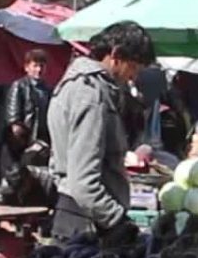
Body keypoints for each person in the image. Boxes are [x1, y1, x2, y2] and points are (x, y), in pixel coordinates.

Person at [48, 21, 156, 242]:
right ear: (116, 55)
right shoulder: (90, 95)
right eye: (133, 67)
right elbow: (84, 183)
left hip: (78, 217)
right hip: (85, 226)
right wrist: (117, 221)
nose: (133, 77)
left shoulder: (78, 84)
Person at [2, 49, 52, 148]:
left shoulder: (48, 89)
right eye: (35, 66)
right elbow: (13, 117)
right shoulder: (19, 86)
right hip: (24, 139)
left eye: (42, 66)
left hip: (43, 137)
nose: (39, 69)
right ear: (27, 67)